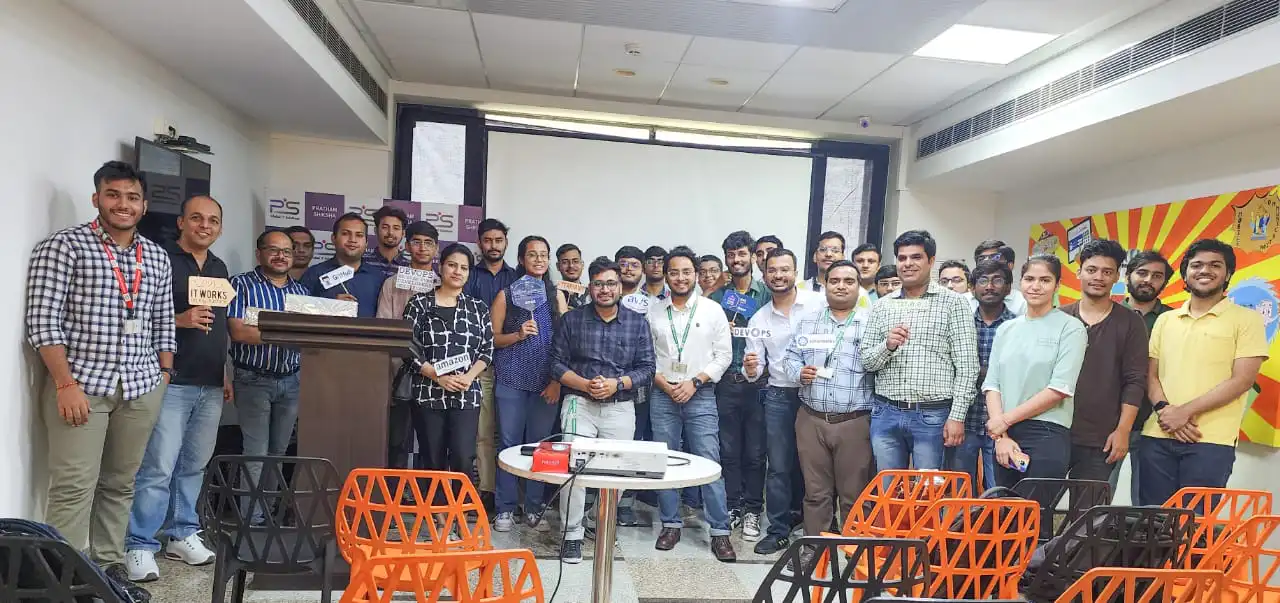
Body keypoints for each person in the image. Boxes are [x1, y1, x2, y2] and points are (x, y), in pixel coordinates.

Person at [25, 161, 175, 600]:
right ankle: (67, 580)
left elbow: (163, 321)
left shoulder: (156, 256)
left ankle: (108, 570)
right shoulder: (64, 246)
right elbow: (43, 322)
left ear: (144, 204)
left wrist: (163, 376)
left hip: (141, 386)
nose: (122, 204)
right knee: (74, 486)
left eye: (132, 197)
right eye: (113, 195)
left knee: (120, 483)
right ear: (97, 198)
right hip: (81, 386)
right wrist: (65, 384)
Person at [124, 195, 228, 581]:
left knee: (193, 466)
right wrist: (178, 319)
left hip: (210, 382)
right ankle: (139, 543)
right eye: (197, 218)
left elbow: (218, 326)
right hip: (170, 379)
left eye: (213, 220)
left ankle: (182, 533)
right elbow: (133, 314)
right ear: (182, 222)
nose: (205, 226)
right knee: (158, 467)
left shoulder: (218, 266)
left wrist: (225, 372)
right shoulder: (158, 258)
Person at [1138, 240, 1267, 505]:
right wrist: (1165, 410)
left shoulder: (1247, 320)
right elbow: (1150, 374)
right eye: (1196, 265)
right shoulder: (1166, 320)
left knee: (1195, 523)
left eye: (1214, 265)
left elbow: (1242, 380)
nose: (1204, 270)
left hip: (1210, 441)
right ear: (1186, 274)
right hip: (1157, 434)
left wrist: (1184, 413)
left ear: (1228, 274)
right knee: (1150, 521)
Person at [550, 258, 656, 563]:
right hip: (578, 403)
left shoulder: (637, 323)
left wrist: (617, 384)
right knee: (574, 467)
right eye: (598, 284)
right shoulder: (572, 320)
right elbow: (555, 364)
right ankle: (572, 533)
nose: (605, 289)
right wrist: (585, 384)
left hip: (620, 406)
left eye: (611, 283)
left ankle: (598, 520)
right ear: (590, 287)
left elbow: (647, 368)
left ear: (620, 287)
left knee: (619, 470)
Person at [783, 260, 875, 571]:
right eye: (835, 280)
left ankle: (854, 553)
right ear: (825, 284)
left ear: (859, 286)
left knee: (854, 494)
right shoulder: (808, 321)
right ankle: (814, 549)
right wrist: (799, 372)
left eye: (849, 281)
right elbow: (790, 358)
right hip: (811, 418)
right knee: (815, 492)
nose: (841, 286)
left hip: (854, 422)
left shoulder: (871, 322)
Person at [861, 230, 978, 471]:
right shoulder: (882, 306)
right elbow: (867, 361)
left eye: (916, 257)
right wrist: (887, 346)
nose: (908, 264)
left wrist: (957, 416)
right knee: (889, 488)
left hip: (932, 416)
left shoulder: (953, 303)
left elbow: (967, 366)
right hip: (886, 413)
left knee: (928, 489)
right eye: (902, 258)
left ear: (931, 261)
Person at [647, 246, 736, 561]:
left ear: (696, 275)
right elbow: (646, 357)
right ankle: (670, 524)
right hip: (663, 394)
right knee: (664, 461)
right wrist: (664, 384)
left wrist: (694, 382)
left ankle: (720, 531)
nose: (680, 278)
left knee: (709, 461)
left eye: (686, 272)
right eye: (674, 272)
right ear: (666, 276)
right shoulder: (654, 312)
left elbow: (724, 356)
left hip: (700, 394)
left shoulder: (712, 310)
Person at [227, 231, 311, 522]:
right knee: (256, 451)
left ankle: (268, 512)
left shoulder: (302, 294)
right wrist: (287, 333)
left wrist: (268, 332)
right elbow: (239, 332)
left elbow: (308, 338)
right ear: (259, 253)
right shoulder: (241, 284)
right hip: (253, 379)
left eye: (286, 251)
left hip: (291, 380)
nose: (281, 256)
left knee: (278, 451)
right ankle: (251, 518)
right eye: (274, 250)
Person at [983, 254, 1088, 489]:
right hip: (1005, 435)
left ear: (1057, 285)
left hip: (1046, 432)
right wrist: (1001, 436)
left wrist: (1003, 421)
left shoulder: (1071, 328)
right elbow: (992, 385)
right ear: (1021, 282)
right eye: (1029, 279)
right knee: (1004, 509)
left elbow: (1059, 388)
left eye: (1045, 280)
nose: (1036, 286)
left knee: (1036, 509)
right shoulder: (1006, 329)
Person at [743, 248, 823, 554]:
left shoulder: (817, 304)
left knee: (815, 466)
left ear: (796, 273)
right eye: (772, 270)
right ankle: (777, 530)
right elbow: (755, 370)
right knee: (777, 466)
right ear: (764, 276)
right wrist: (751, 369)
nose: (779, 275)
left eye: (784, 269)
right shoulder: (759, 318)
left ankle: (816, 529)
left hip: (817, 393)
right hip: (779, 395)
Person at [403, 243, 494, 508]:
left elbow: (487, 349)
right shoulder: (419, 304)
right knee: (432, 458)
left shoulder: (478, 308)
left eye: (464, 268)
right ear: (441, 267)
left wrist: (470, 376)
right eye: (452, 265)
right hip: (429, 393)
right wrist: (436, 375)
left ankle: (458, 514)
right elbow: (407, 347)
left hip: (466, 394)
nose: (457, 271)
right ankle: (437, 514)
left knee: (463, 457)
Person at [491, 235, 569, 532]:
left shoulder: (556, 295)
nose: (538, 259)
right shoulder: (506, 295)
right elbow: (492, 339)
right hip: (511, 378)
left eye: (543, 255)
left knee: (540, 446)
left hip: (546, 382)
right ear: (521, 259)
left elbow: (566, 341)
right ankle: (505, 508)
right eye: (532, 254)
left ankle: (534, 507)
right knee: (509, 444)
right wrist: (518, 334)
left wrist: (556, 381)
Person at [1059, 240, 1148, 483]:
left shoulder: (1131, 323)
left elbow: (1135, 381)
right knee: (1039, 503)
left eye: (1107, 272)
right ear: (1079, 272)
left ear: (1117, 276)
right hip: (1054, 433)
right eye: (1092, 270)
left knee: (1089, 506)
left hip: (1102, 439)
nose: (1098, 277)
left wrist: (1123, 431)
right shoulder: (1059, 318)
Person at [707, 231, 771, 541]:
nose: (736, 260)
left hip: (759, 384)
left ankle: (753, 510)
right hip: (726, 382)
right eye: (731, 255)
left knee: (756, 453)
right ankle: (732, 505)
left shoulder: (767, 293)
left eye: (742, 253)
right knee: (728, 450)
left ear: (753, 257)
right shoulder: (717, 298)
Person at [464, 218, 518, 509]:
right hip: (479, 364)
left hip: (513, 365)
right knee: (483, 432)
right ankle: (487, 490)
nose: (493, 246)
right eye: (488, 240)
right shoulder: (469, 276)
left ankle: (511, 494)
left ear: (506, 243)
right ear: (479, 243)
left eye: (499, 240)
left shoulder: (518, 278)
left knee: (510, 433)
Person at [377, 221, 440, 471]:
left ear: (436, 248)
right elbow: (385, 326)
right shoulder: (392, 283)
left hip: (435, 372)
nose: (422, 248)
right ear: (406, 246)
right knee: (397, 440)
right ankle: (395, 488)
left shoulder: (444, 284)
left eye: (428, 243)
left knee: (431, 441)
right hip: (400, 369)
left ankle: (426, 489)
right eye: (416, 242)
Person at [948, 260, 1015, 492]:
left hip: (1004, 421)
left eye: (997, 280)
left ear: (1008, 288)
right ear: (972, 287)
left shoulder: (1018, 326)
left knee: (999, 490)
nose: (989, 286)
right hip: (963, 418)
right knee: (959, 491)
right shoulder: (958, 323)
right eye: (983, 281)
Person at [1116, 250, 1174, 500]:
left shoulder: (1173, 320)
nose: (1148, 280)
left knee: (1147, 502)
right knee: (1096, 495)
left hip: (1155, 423)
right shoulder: (1110, 314)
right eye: (1142, 273)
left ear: (1164, 282)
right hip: (1110, 421)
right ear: (1127, 275)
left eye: (1157, 276)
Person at [301, 212, 387, 317]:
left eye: (359, 235)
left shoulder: (378, 277)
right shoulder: (314, 274)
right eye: (345, 233)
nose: (352, 240)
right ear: (333, 238)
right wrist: (328, 306)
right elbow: (297, 310)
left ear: (366, 243)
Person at [972, 241, 1027, 316]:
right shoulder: (964, 300)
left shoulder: (1022, 302)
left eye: (995, 257)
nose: (987, 262)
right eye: (982, 259)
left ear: (1010, 265)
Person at [365, 205, 410, 276]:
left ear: (403, 233)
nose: (390, 232)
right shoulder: (362, 262)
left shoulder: (410, 268)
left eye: (396, 228)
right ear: (376, 230)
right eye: (385, 227)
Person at [556, 243, 589, 308]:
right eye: (565, 262)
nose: (571, 265)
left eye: (575, 261)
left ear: (582, 264)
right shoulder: (551, 294)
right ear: (558, 266)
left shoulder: (592, 294)